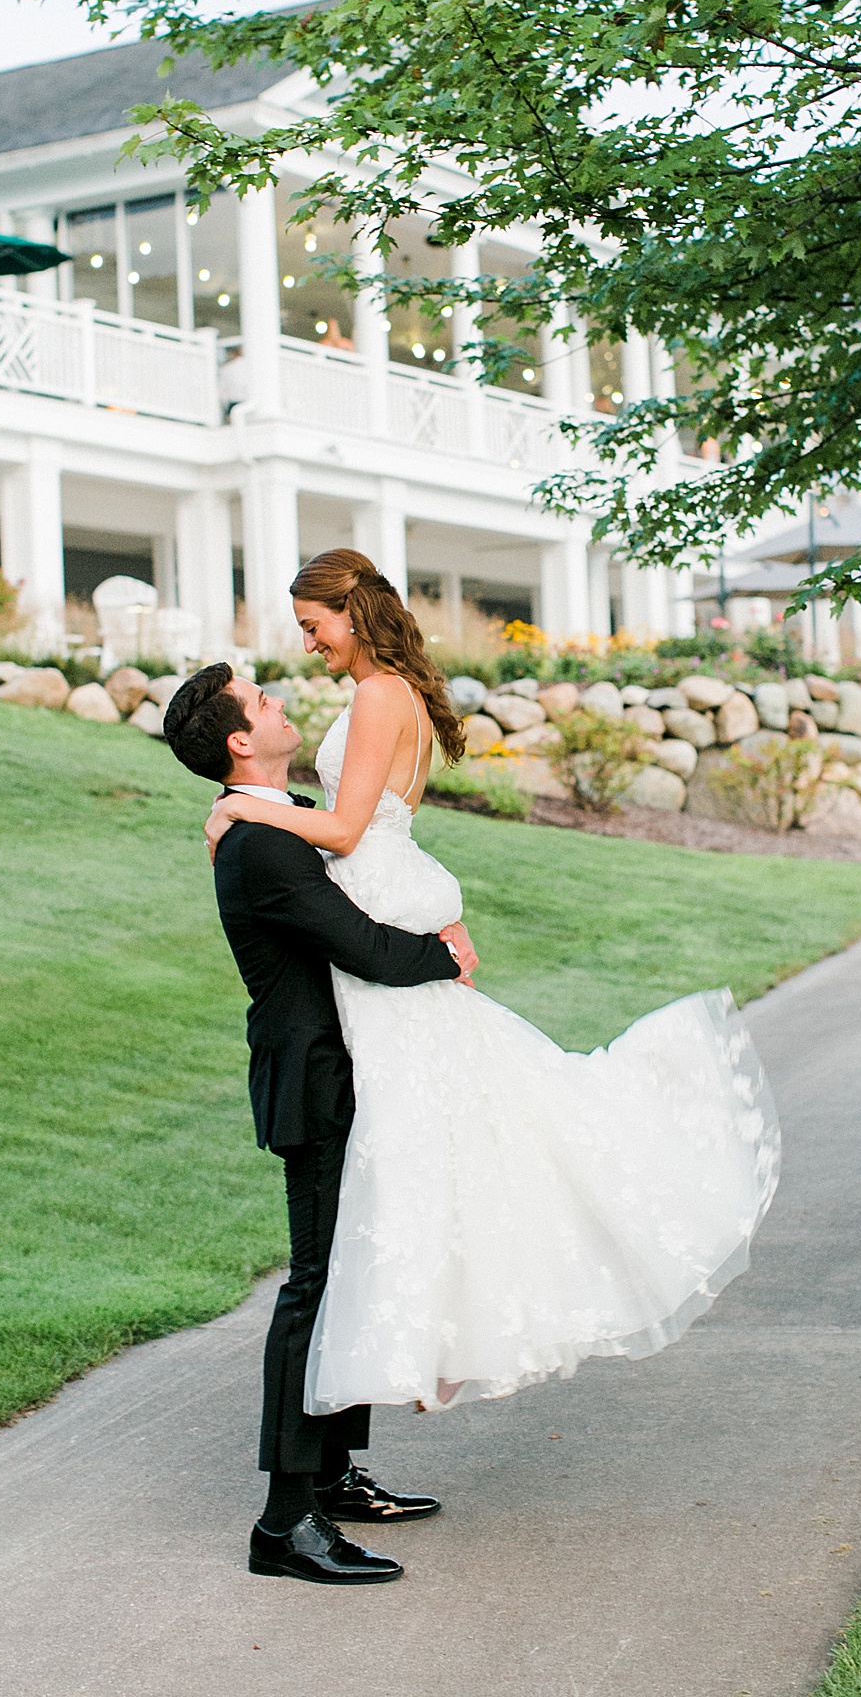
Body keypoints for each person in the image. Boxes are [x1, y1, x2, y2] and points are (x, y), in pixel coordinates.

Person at [202, 548, 780, 1430]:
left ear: (349, 614)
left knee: (416, 1150)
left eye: (313, 628)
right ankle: (419, 1356)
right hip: (389, 908)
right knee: (429, 1149)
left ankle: (421, 1353)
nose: (309, 648)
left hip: (379, 912)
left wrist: (248, 805)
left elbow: (351, 830)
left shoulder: (375, 696)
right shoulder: (394, 692)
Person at [163, 663, 479, 1585]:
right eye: (259, 699)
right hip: (316, 1082)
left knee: (343, 1276)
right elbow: (360, 945)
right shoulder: (260, 845)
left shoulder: (271, 817)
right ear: (237, 740)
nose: (277, 700)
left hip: (347, 1071)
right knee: (314, 1286)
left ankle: (334, 1476)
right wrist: (445, 954)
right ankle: (284, 1524)